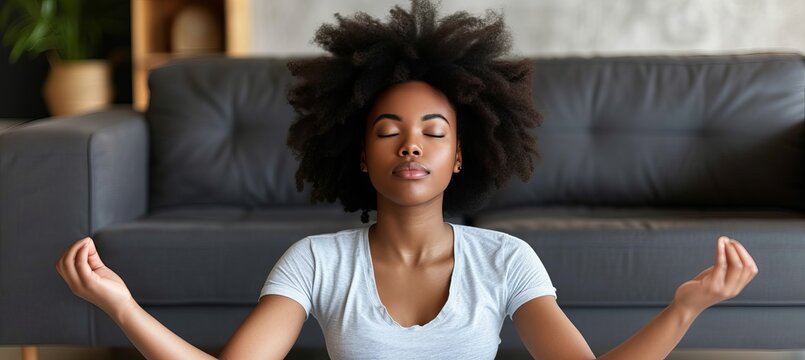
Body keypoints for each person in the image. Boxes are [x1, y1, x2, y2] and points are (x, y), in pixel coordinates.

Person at [55, 1, 758, 359]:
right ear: (360, 155)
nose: (411, 146)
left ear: (462, 156)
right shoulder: (316, 262)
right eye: (388, 131)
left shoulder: (504, 260)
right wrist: (121, 309)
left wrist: (686, 309)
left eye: (434, 132)